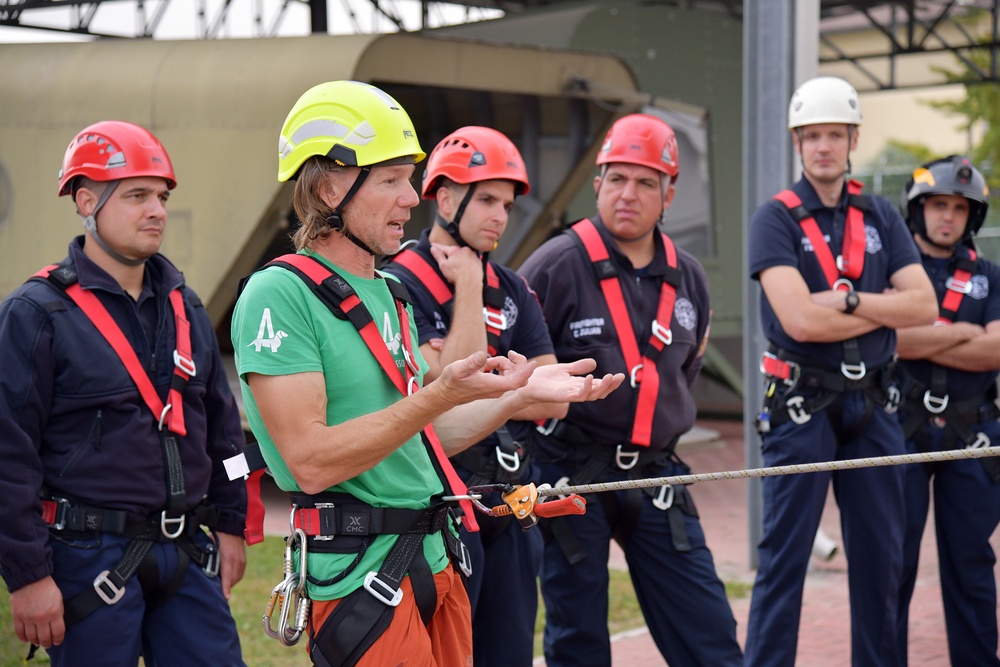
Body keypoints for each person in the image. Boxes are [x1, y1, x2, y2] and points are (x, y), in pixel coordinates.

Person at [230, 80, 623, 667]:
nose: (412, 198)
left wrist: (515, 397)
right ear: (329, 183)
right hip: (363, 576)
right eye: (390, 180)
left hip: (435, 561)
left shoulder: (391, 294)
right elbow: (309, 461)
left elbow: (419, 443)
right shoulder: (279, 295)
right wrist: (437, 394)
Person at [0, 121, 248, 666]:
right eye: (136, 195)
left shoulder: (187, 308)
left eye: (161, 196)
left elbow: (224, 433)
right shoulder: (38, 314)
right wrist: (27, 576)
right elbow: (8, 454)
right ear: (86, 201)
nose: (156, 209)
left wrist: (233, 524)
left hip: (186, 550)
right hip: (87, 555)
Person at [518, 112, 742, 667]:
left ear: (670, 193)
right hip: (570, 472)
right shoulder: (554, 265)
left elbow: (685, 370)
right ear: (597, 185)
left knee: (710, 633)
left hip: (657, 474)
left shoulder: (688, 277)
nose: (628, 194)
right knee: (579, 641)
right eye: (616, 179)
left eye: (646, 182)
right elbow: (515, 372)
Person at [744, 76, 938, 666]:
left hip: (875, 406)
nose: (823, 146)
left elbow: (925, 306)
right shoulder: (774, 219)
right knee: (784, 562)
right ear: (797, 143)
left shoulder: (880, 214)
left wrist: (849, 303)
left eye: (834, 134)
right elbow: (799, 321)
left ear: (853, 138)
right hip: (802, 406)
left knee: (883, 564)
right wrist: (881, 310)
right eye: (812, 136)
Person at [381, 126, 557, 667]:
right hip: (448, 505)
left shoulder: (515, 286)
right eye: (486, 199)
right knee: (451, 652)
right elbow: (449, 391)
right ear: (448, 197)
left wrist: (513, 384)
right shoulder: (398, 282)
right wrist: (469, 288)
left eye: (505, 203)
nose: (500, 216)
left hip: (510, 496)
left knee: (509, 652)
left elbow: (553, 396)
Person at [894, 155, 1000, 666]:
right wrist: (964, 332)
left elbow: (995, 350)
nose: (948, 217)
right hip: (901, 432)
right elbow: (892, 342)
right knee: (892, 564)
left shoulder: (991, 277)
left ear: (971, 217)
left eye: (960, 208)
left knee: (972, 565)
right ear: (918, 210)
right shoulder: (895, 274)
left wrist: (926, 338)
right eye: (938, 204)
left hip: (973, 434)